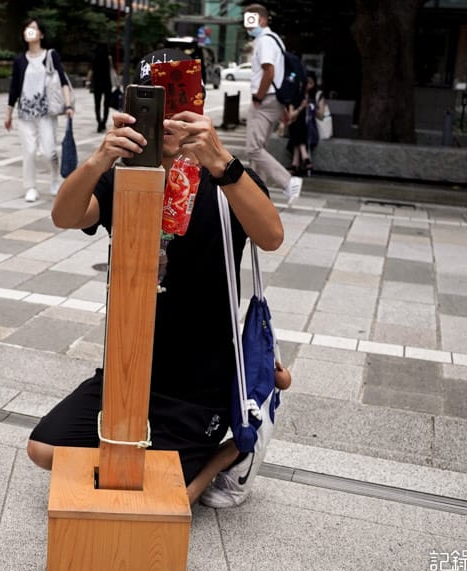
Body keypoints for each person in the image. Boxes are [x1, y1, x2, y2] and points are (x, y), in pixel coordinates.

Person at [25, 49, 284, 507]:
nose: (167, 121)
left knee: (165, 495)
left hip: (200, 383)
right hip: (129, 367)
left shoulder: (224, 178)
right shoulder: (128, 174)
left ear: (199, 103)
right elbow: (66, 215)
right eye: (154, 104)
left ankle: (223, 455)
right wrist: (99, 159)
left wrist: (223, 165)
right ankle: (182, 451)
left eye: (180, 103)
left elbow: (271, 236)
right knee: (43, 449)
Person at [5, 19, 74, 203]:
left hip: (47, 113)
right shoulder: (19, 60)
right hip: (25, 113)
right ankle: (31, 187)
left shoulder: (51, 56)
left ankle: (54, 178)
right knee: (28, 151)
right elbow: (14, 88)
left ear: (41, 34)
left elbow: (63, 81)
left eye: (34, 28)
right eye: (27, 28)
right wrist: (8, 113)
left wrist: (68, 106)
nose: (30, 31)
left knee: (48, 151)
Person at [243, 3, 303, 205]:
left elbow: (269, 72)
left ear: (263, 19)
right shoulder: (277, 40)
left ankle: (288, 182)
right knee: (260, 148)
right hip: (275, 100)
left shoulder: (265, 41)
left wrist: (258, 98)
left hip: (265, 100)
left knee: (253, 149)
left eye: (251, 20)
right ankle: (257, 194)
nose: (249, 26)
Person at [287, 72, 324, 176]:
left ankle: (296, 163)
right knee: (297, 124)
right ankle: (304, 158)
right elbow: (291, 115)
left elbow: (321, 116)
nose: (308, 85)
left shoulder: (317, 95)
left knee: (296, 126)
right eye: (306, 83)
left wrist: (311, 108)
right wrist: (302, 107)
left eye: (311, 83)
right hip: (300, 128)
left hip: (311, 128)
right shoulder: (297, 96)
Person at [88, 43, 113, 133]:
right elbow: (112, 70)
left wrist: (88, 81)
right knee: (106, 105)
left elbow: (91, 70)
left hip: (97, 84)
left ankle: (99, 122)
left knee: (97, 105)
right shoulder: (108, 58)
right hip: (107, 84)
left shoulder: (94, 58)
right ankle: (104, 122)